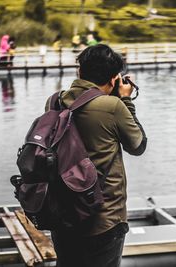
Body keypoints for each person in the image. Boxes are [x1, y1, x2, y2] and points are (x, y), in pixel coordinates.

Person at [47, 44, 147, 267]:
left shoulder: (55, 101)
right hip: (104, 219)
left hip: (63, 216)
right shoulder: (112, 106)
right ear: (114, 79)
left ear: (79, 72)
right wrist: (125, 99)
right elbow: (138, 145)